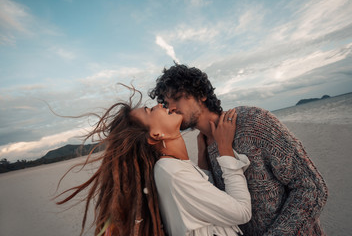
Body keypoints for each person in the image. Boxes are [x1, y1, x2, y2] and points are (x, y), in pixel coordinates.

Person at [149, 63, 329, 236]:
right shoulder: (204, 145)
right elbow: (221, 206)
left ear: (201, 94)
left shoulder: (252, 122)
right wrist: (203, 158)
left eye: (177, 97)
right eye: (166, 102)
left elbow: (312, 187)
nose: (171, 107)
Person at [56, 86, 252, 236]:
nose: (161, 105)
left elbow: (202, 193)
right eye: (150, 110)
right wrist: (225, 150)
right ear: (156, 135)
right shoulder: (172, 172)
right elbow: (242, 212)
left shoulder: (171, 166)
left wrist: (202, 153)